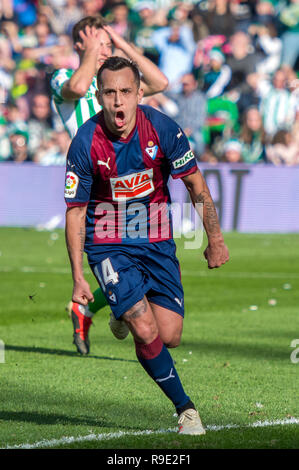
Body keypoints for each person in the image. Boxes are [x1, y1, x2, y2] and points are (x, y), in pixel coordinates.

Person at [64, 56, 229, 435]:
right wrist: (78, 278)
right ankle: (186, 410)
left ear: (140, 92)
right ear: (99, 95)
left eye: (125, 92)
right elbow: (75, 214)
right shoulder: (86, 142)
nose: (118, 102)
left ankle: (119, 310)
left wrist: (215, 239)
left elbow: (195, 185)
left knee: (168, 335)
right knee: (144, 328)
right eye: (109, 93)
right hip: (107, 242)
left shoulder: (162, 129)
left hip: (156, 240)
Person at [50, 15, 168, 355]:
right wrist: (91, 52)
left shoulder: (119, 82)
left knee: (146, 264)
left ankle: (96, 307)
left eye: (106, 44)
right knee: (125, 266)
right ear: (81, 46)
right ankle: (114, 305)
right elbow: (75, 88)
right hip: (95, 187)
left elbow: (160, 82)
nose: (104, 50)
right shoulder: (62, 77)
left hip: (131, 182)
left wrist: (122, 46)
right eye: (98, 44)